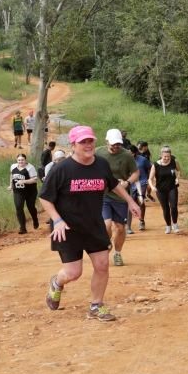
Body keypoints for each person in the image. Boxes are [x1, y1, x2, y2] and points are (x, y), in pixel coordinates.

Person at [40, 125, 141, 321]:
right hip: (67, 227)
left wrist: (130, 202)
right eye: (83, 142)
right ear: (73, 145)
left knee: (102, 265)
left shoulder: (101, 164)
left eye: (90, 141)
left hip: (94, 225)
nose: (88, 145)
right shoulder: (62, 169)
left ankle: (96, 306)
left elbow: (113, 184)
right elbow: (45, 197)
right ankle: (57, 283)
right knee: (73, 272)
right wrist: (57, 220)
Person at [95, 128, 139, 266]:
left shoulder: (127, 155)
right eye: (113, 144)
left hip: (120, 196)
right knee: (106, 224)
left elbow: (136, 173)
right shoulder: (98, 152)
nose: (116, 146)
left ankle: (118, 253)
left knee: (120, 228)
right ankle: (106, 245)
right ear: (106, 141)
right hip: (103, 195)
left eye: (118, 144)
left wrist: (127, 182)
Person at [149, 146, 182, 233]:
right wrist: (152, 187)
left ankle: (175, 224)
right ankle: (168, 225)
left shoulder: (174, 162)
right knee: (165, 208)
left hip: (172, 187)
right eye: (165, 157)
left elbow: (179, 171)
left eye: (168, 156)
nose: (167, 158)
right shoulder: (155, 165)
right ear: (161, 155)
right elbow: (150, 179)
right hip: (160, 190)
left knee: (174, 206)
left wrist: (177, 178)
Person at [8, 153, 39, 234]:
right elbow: (11, 176)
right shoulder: (13, 167)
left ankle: (35, 219)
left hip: (30, 191)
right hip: (18, 191)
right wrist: (10, 186)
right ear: (16, 160)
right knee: (18, 207)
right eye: (19, 160)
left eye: (22, 160)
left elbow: (35, 180)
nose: (20, 161)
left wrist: (24, 181)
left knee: (31, 207)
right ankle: (23, 228)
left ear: (25, 160)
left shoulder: (30, 167)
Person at [127, 145, 151, 233]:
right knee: (131, 202)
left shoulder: (143, 160)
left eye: (131, 153)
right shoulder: (125, 160)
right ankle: (128, 225)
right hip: (130, 183)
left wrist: (149, 180)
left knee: (140, 200)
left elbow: (150, 168)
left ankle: (141, 221)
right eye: (128, 153)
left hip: (142, 182)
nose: (130, 155)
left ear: (135, 152)